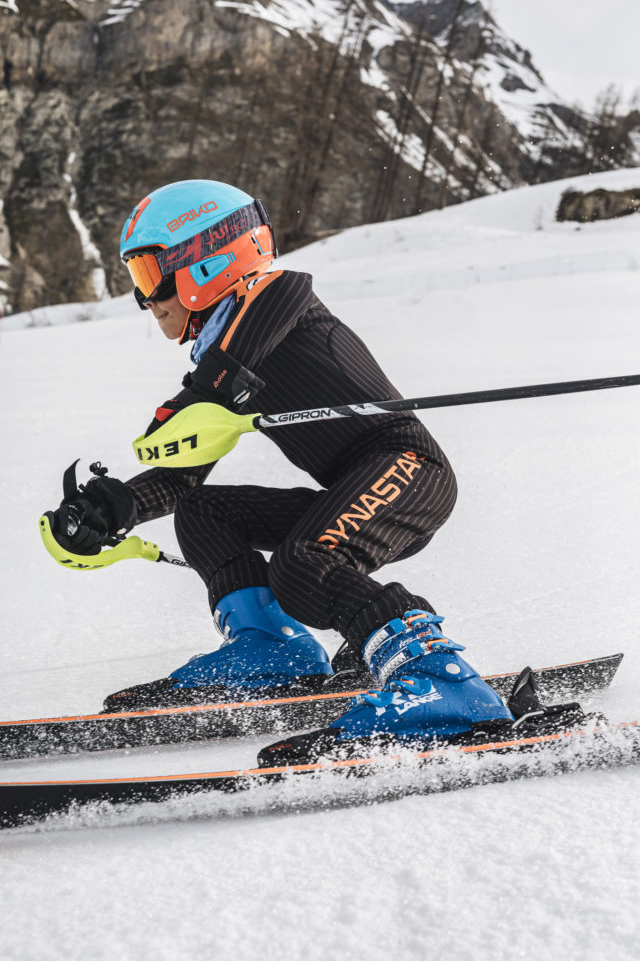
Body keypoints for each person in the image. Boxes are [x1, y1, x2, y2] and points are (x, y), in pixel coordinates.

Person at [47, 179, 513, 747]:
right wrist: (109, 510)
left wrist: (199, 395)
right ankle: (271, 650)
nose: (147, 300)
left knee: (302, 564)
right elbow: (183, 473)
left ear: (207, 260)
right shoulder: (224, 357)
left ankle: (443, 682)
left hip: (410, 470)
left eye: (150, 275)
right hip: (354, 486)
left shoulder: (277, 298)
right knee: (203, 511)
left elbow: (233, 362)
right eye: (137, 280)